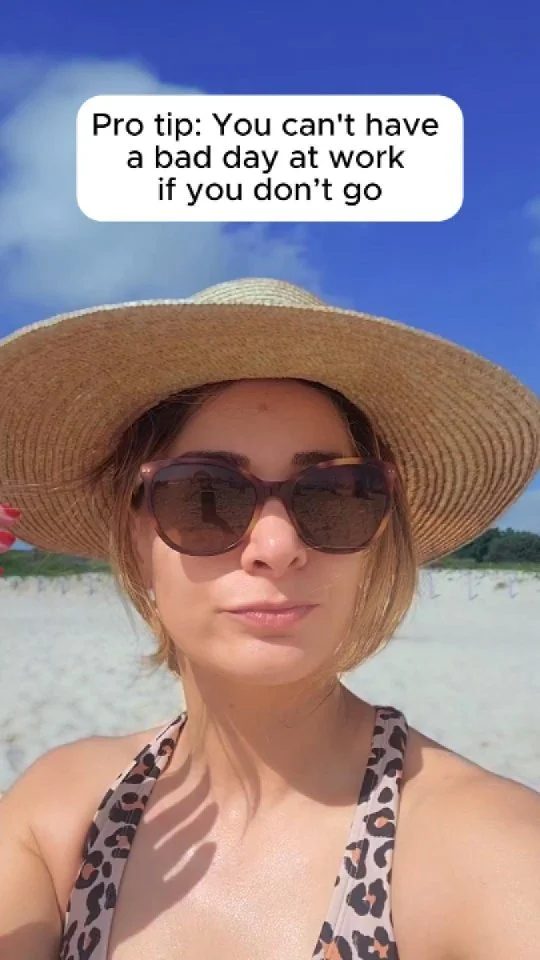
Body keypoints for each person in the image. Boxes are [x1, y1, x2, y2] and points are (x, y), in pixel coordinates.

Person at [0, 277, 539, 960]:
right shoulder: (57, 817)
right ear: (135, 532)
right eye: (204, 494)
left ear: (378, 532)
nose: (278, 547)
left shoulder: (491, 853)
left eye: (335, 494)